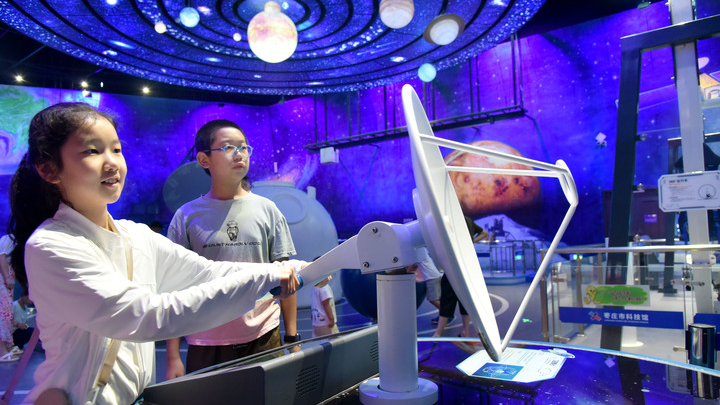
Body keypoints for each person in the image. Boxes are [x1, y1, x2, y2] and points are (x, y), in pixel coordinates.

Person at [8, 103, 301, 405]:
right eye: (92, 151)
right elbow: (148, 315)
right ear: (49, 169)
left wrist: (302, 270)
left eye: (116, 150)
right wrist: (268, 276)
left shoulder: (136, 235)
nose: (112, 163)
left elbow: (205, 272)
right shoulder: (51, 246)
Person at [165, 119, 299, 379]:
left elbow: (286, 275)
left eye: (244, 147)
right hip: (206, 341)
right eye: (228, 147)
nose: (240, 154)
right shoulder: (186, 217)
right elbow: (174, 287)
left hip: (264, 336)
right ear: (204, 160)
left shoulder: (268, 210)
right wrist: (173, 356)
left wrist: (292, 337)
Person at [433, 216, 489, 338]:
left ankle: (438, 333)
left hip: (453, 264)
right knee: (465, 299)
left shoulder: (449, 220)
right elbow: (484, 233)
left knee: (447, 298)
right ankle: (465, 331)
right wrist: (471, 242)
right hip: (467, 263)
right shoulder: (468, 220)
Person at [406, 248, 442, 322]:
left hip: (431, 277)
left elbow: (412, 267)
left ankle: (447, 315)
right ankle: (443, 315)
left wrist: (407, 269)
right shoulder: (420, 249)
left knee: (433, 299)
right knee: (437, 299)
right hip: (434, 275)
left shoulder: (416, 251)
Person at [0, 233, 20, 362]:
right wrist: (7, 277)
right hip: (2, 281)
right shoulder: (10, 238)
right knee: (3, 315)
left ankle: (6, 348)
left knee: (6, 314)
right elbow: (1, 255)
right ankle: (1, 351)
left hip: (6, 282)